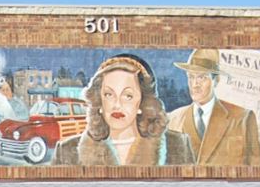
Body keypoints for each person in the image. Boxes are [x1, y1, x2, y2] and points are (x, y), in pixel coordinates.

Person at [51, 54, 194, 166]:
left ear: (143, 103)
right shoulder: (66, 151)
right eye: (109, 94)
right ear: (99, 101)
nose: (117, 105)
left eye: (127, 96)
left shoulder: (177, 145)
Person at [168, 49, 260, 165]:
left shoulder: (242, 118)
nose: (195, 85)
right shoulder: (173, 119)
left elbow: (255, 169)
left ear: (216, 80)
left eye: (202, 77)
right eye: (191, 77)